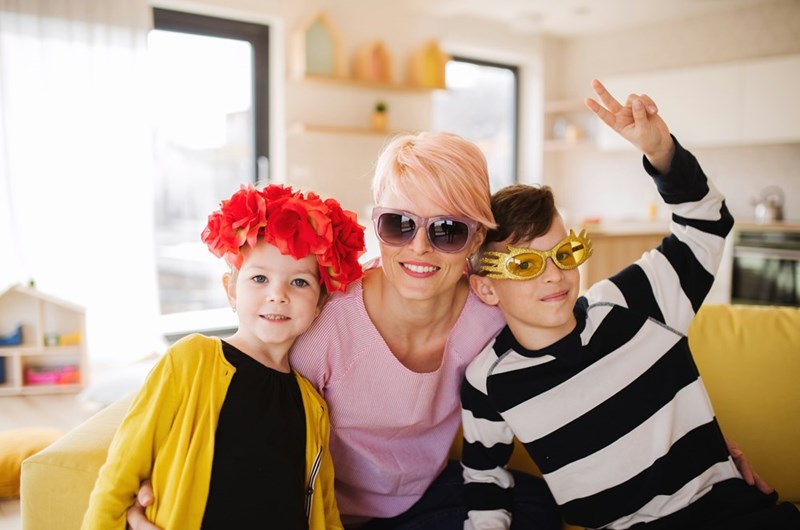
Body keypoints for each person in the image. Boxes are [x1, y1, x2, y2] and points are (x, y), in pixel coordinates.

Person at [127, 131, 564, 530]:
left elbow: (575, 327)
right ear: (377, 224)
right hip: (327, 512)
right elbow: (231, 398)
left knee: (538, 508)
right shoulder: (325, 322)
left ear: (476, 238)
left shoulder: (489, 311)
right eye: (399, 224)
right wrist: (154, 478)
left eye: (447, 230)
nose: (419, 247)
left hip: (425, 497)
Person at [461, 79, 800, 529]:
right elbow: (485, 478)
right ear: (486, 288)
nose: (554, 274)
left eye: (564, 254)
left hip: (732, 514)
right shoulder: (488, 380)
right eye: (525, 264)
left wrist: (662, 153)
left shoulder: (631, 304)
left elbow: (707, 224)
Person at [83, 184, 366, 530]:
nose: (278, 295)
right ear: (231, 290)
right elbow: (121, 472)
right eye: (259, 278)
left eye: (300, 283)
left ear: (320, 303)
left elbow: (323, 508)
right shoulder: (191, 360)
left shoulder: (312, 405)